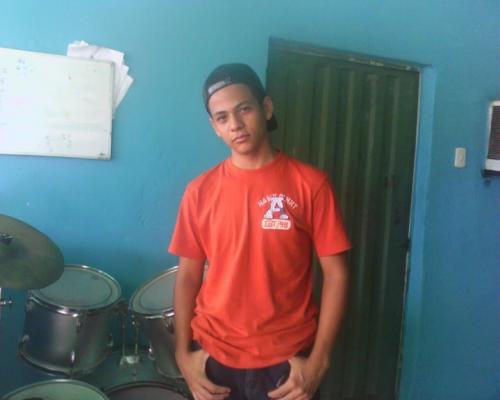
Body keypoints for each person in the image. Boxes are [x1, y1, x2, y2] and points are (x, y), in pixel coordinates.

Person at [169, 63, 351, 400]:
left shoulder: (310, 184)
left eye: (244, 109)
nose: (235, 125)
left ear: (266, 108)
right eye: (222, 117)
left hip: (287, 365)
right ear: (214, 127)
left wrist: (319, 361)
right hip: (213, 360)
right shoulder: (199, 191)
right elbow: (187, 276)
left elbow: (336, 274)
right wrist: (183, 354)